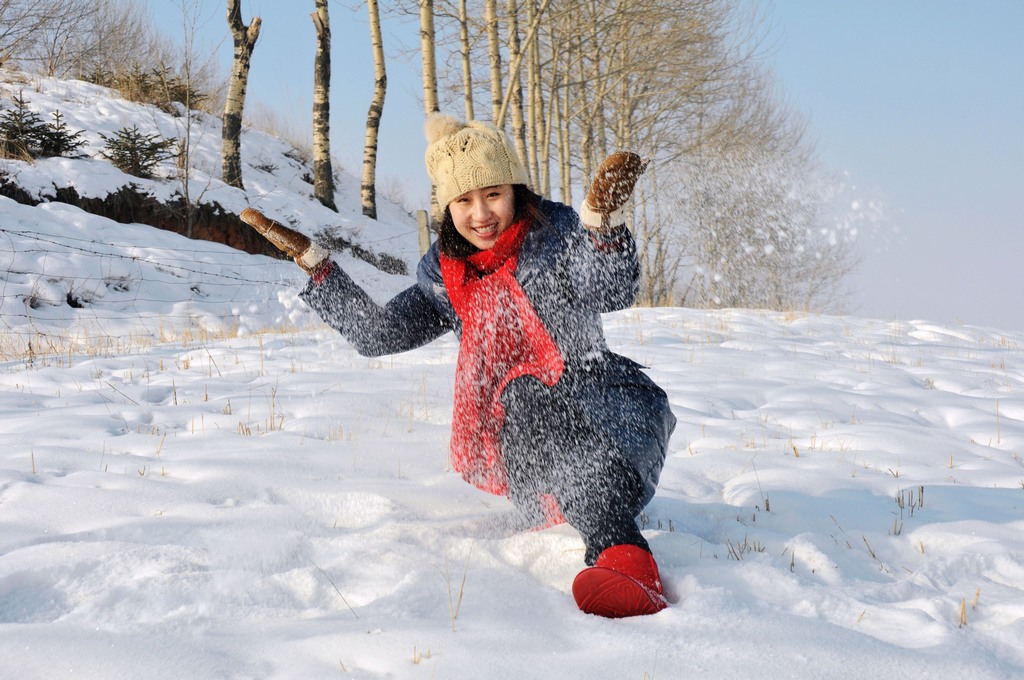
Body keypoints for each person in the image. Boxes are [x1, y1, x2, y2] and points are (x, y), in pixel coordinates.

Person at [241, 113, 676, 618]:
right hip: (528, 446)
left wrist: (602, 226)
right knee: (521, 394)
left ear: (514, 189)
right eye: (463, 200)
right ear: (447, 207)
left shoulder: (557, 236)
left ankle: (628, 566)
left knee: (535, 399)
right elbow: (379, 334)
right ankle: (586, 527)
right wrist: (320, 270)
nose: (480, 213)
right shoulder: (446, 274)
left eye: (492, 194)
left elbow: (612, 288)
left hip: (607, 425)